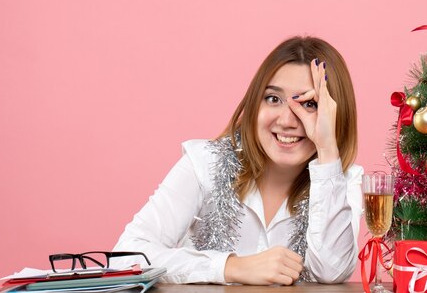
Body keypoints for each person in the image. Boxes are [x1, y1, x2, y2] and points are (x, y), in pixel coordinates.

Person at [112, 36, 363, 285]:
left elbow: (331, 273)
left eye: (310, 104)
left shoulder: (343, 180)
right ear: (255, 104)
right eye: (273, 99)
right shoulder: (204, 163)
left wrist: (328, 148)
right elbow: (126, 257)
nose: (287, 121)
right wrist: (230, 267)